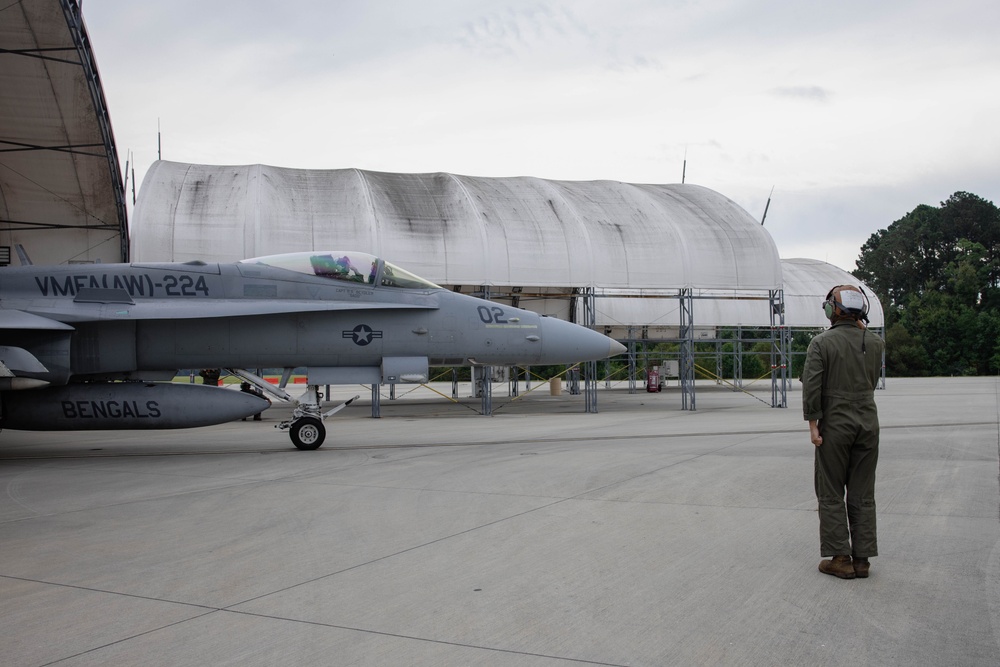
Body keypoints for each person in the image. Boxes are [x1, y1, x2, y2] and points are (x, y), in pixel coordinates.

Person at [801, 284, 884, 579]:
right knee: (863, 491)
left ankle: (840, 558)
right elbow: (871, 380)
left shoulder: (821, 343)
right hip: (868, 422)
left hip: (835, 423)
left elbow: (812, 387)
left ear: (831, 310)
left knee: (831, 490)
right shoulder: (875, 342)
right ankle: (862, 559)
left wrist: (813, 426)